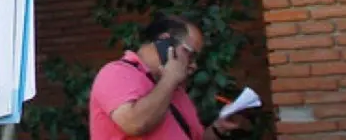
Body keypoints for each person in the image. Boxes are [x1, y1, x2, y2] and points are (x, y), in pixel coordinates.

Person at [89, 15, 245, 140]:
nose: (193, 65)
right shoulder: (117, 73)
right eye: (190, 55)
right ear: (165, 42)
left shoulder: (175, 91)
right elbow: (135, 123)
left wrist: (218, 129)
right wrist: (170, 79)